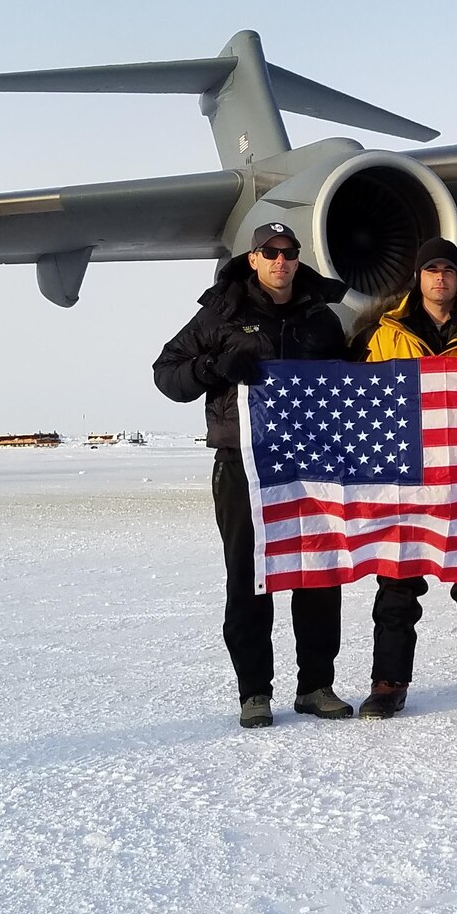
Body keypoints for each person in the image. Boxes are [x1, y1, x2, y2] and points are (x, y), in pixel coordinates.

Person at [152, 221, 355, 730]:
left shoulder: (321, 318)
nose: (281, 261)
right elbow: (166, 374)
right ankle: (255, 692)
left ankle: (316, 685)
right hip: (244, 463)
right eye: (270, 252)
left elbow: (346, 383)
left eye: (289, 252)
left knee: (317, 573)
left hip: (311, 463)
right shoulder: (221, 314)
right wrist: (215, 366)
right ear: (253, 258)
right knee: (250, 575)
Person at [357, 237, 457, 720]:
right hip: (406, 473)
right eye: (431, 270)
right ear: (418, 278)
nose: (440, 278)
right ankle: (388, 683)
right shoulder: (386, 334)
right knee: (397, 584)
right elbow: (366, 398)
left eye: (447, 269)